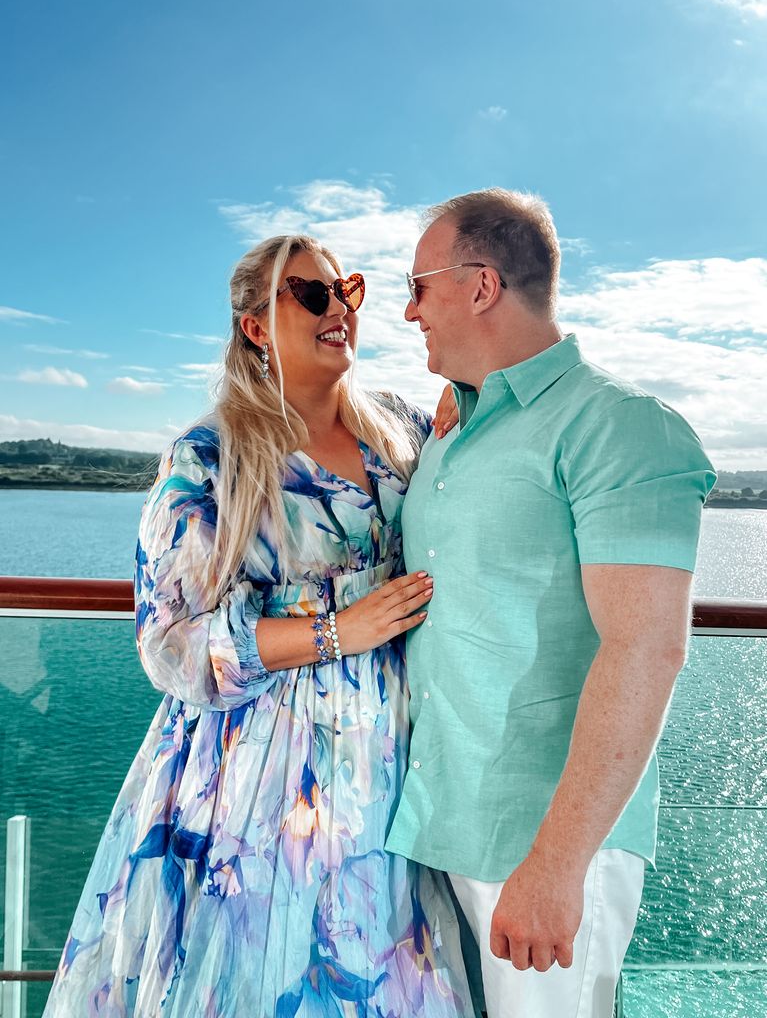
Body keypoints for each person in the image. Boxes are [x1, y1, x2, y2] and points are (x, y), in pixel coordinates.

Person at [42, 234, 479, 1018]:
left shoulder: (402, 432)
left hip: (385, 770)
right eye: (311, 295)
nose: (339, 308)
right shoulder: (210, 457)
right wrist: (337, 632)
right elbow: (171, 646)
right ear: (254, 327)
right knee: (252, 975)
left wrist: (468, 403)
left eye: (346, 289)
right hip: (252, 781)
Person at [385, 189, 717, 1018]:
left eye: (419, 285)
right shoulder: (455, 431)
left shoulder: (620, 427)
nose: (407, 309)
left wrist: (558, 863)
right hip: (433, 827)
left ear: (480, 285)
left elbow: (646, 648)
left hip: (535, 847)